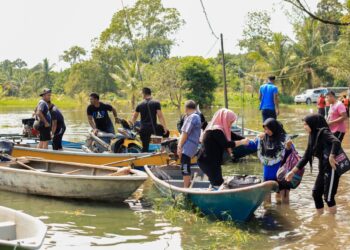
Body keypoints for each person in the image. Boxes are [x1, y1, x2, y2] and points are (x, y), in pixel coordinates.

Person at [286, 114, 341, 215]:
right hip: (322, 169)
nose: (304, 127)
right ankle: (319, 217)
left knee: (328, 198)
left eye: (306, 124)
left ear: (313, 124)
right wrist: (292, 172)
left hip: (332, 168)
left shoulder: (324, 132)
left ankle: (332, 223)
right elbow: (306, 156)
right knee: (316, 193)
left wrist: (331, 156)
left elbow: (336, 142)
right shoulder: (312, 136)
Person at [197, 108, 249, 190]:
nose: (231, 124)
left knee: (218, 182)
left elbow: (234, 136)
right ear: (225, 119)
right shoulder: (215, 130)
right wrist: (242, 142)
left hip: (211, 161)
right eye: (230, 121)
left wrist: (248, 139)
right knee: (218, 184)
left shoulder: (220, 128)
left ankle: (212, 192)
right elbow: (226, 144)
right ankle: (214, 199)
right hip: (208, 162)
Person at [248, 118, 293, 203]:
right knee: (266, 198)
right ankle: (268, 212)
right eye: (265, 129)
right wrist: (244, 142)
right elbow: (252, 145)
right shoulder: (262, 138)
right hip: (268, 173)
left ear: (274, 128)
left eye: (268, 129)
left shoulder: (285, 139)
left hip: (281, 173)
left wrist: (288, 148)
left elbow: (290, 155)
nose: (266, 131)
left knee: (283, 198)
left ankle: (284, 212)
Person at [131, 88, 168, 152]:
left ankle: (143, 158)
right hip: (154, 128)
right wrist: (164, 127)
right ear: (150, 93)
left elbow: (134, 117)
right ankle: (162, 149)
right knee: (166, 133)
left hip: (144, 129)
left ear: (144, 94)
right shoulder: (156, 103)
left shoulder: (139, 104)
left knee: (145, 148)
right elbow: (160, 116)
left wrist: (131, 126)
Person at [177, 100, 202, 188]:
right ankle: (187, 184)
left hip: (188, 146)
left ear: (186, 108)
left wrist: (179, 146)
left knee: (184, 166)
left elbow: (185, 133)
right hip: (191, 146)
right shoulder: (197, 116)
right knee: (185, 165)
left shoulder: (192, 117)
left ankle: (185, 188)